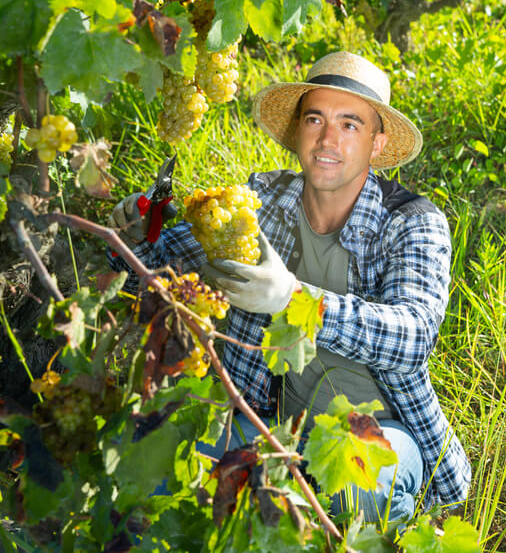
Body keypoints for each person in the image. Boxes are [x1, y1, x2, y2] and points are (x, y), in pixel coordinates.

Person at [108, 51, 470, 521]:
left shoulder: (411, 222)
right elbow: (174, 260)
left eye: (350, 125)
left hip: (376, 430)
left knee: (359, 490)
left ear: (378, 145)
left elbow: (413, 335)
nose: (327, 139)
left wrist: (295, 300)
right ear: (299, 129)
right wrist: (136, 234)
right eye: (316, 118)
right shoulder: (265, 197)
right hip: (265, 422)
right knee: (144, 453)